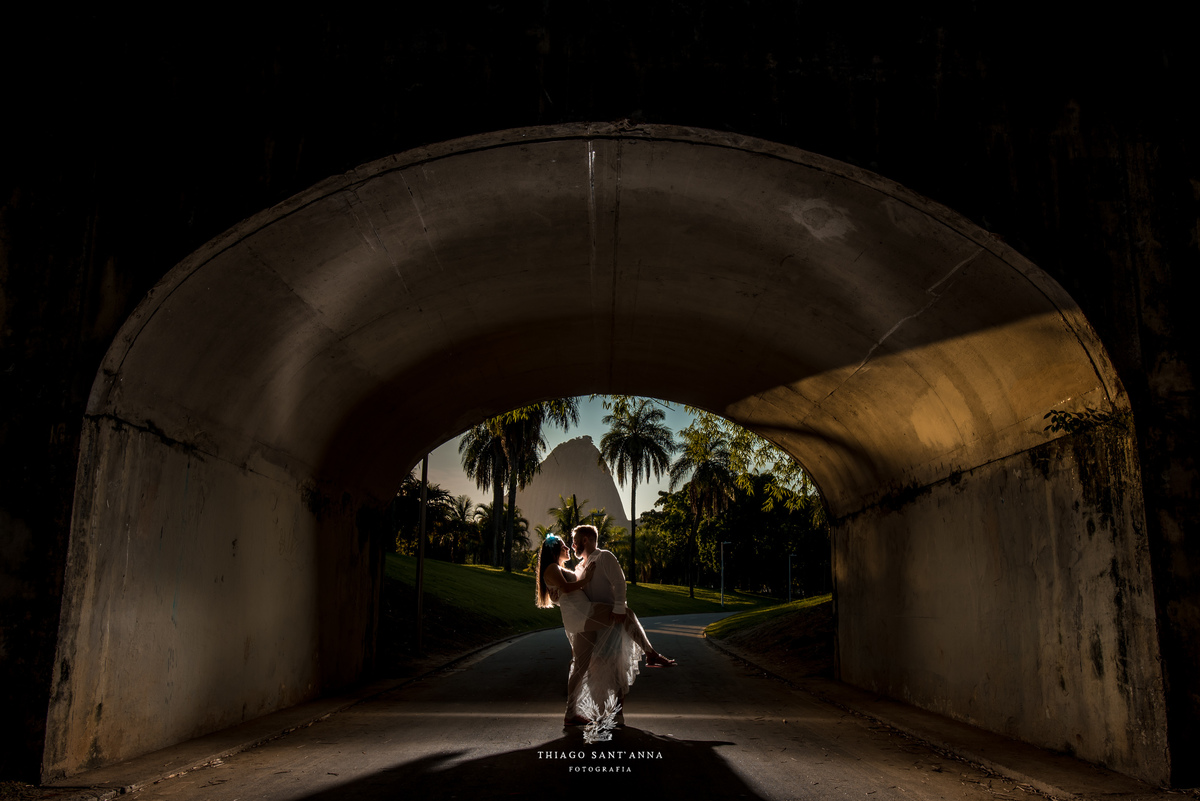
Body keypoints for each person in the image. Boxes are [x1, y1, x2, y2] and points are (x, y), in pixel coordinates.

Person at [535, 526, 675, 727]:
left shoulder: (567, 568)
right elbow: (566, 588)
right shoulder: (552, 568)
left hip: (579, 617)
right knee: (624, 613)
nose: (569, 547)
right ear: (554, 549)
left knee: (580, 666)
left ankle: (570, 713)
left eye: (571, 542)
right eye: (565, 545)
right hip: (582, 613)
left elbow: (566, 590)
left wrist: (583, 578)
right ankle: (650, 653)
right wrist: (587, 579)